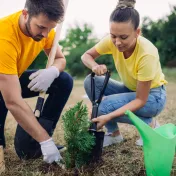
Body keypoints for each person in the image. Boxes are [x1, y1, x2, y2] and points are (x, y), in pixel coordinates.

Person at [81, 0, 167, 147]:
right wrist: (94, 66)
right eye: (113, 35)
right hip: (131, 89)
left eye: (123, 37)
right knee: (91, 81)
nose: (117, 42)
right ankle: (114, 135)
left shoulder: (147, 54)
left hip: (152, 97)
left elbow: (140, 100)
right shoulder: (112, 40)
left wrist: (107, 116)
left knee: (103, 107)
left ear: (137, 32)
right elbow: (86, 56)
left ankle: (150, 125)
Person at [0, 0, 73, 163]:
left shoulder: (45, 28)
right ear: (25, 14)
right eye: (41, 27)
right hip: (2, 80)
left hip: (11, 76)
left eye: (51, 29)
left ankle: (36, 141)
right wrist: (45, 141)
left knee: (63, 80)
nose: (46, 34)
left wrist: (52, 72)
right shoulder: (4, 38)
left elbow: (60, 59)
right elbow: (12, 101)